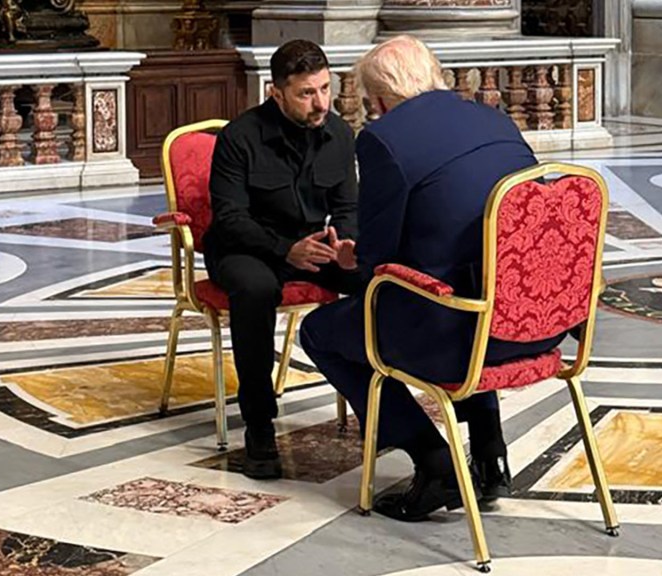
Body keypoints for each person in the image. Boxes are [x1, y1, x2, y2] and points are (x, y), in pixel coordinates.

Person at [300, 35, 568, 521]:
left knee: (321, 331)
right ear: (435, 75)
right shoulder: (495, 119)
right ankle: (490, 454)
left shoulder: (384, 138)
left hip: (455, 342)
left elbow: (378, 261)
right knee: (476, 279)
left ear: (380, 100)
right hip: (537, 324)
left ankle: (433, 460)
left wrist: (351, 258)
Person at [204, 39, 362, 480]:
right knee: (256, 290)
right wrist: (283, 249)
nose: (321, 103)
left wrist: (346, 244)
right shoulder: (239, 137)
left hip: (312, 245)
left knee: (376, 279)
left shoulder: (340, 134)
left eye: (325, 88)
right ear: (276, 93)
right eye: (306, 93)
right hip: (245, 248)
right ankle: (259, 426)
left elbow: (347, 207)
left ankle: (378, 406)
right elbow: (230, 218)